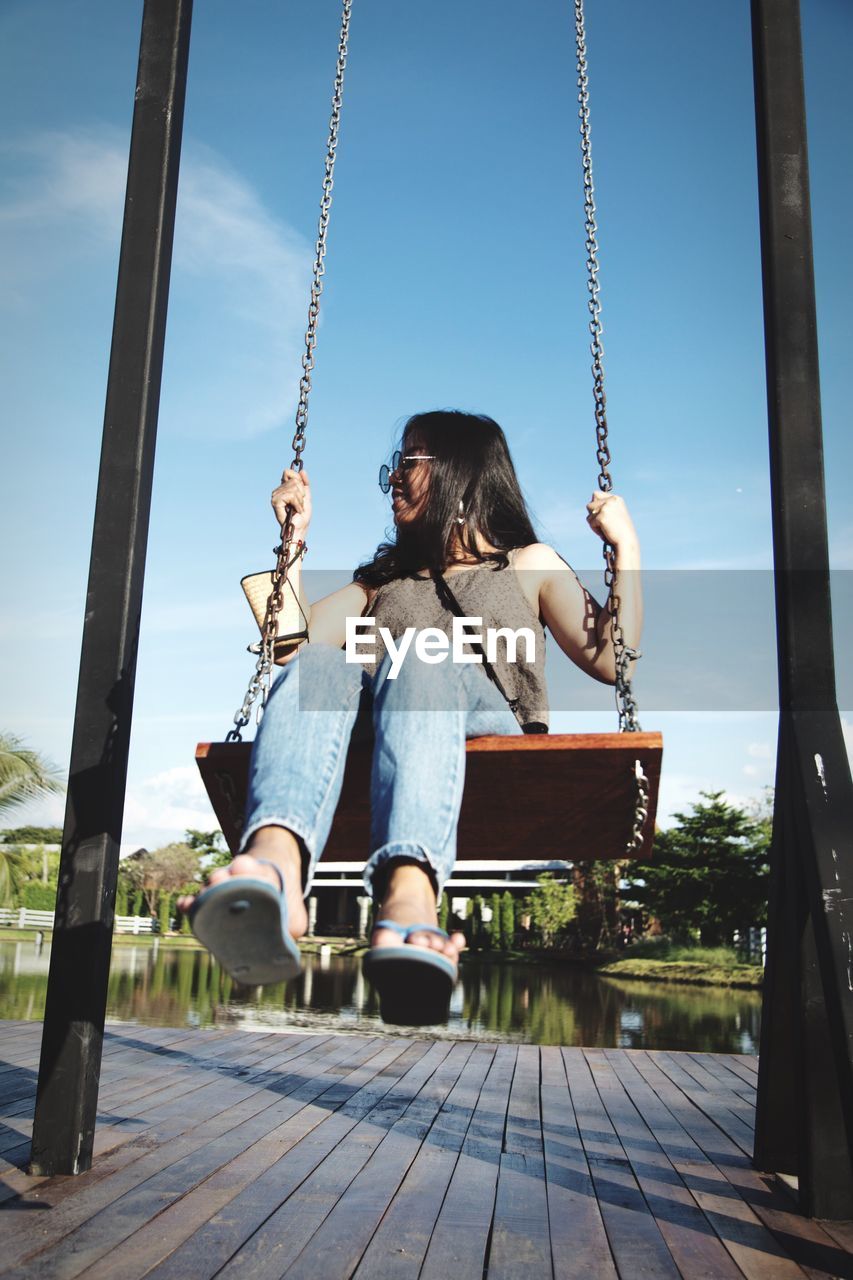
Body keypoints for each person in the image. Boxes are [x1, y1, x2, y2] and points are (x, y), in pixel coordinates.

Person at [180, 409, 642, 1023]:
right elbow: (289, 645)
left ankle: (409, 897)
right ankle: (276, 871)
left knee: (419, 659)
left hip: (486, 733)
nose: (393, 478)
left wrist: (624, 545)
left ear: (463, 471)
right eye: (394, 465)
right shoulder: (383, 581)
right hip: (383, 737)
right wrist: (292, 540)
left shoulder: (528, 563)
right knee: (319, 666)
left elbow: (615, 660)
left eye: (409, 461)